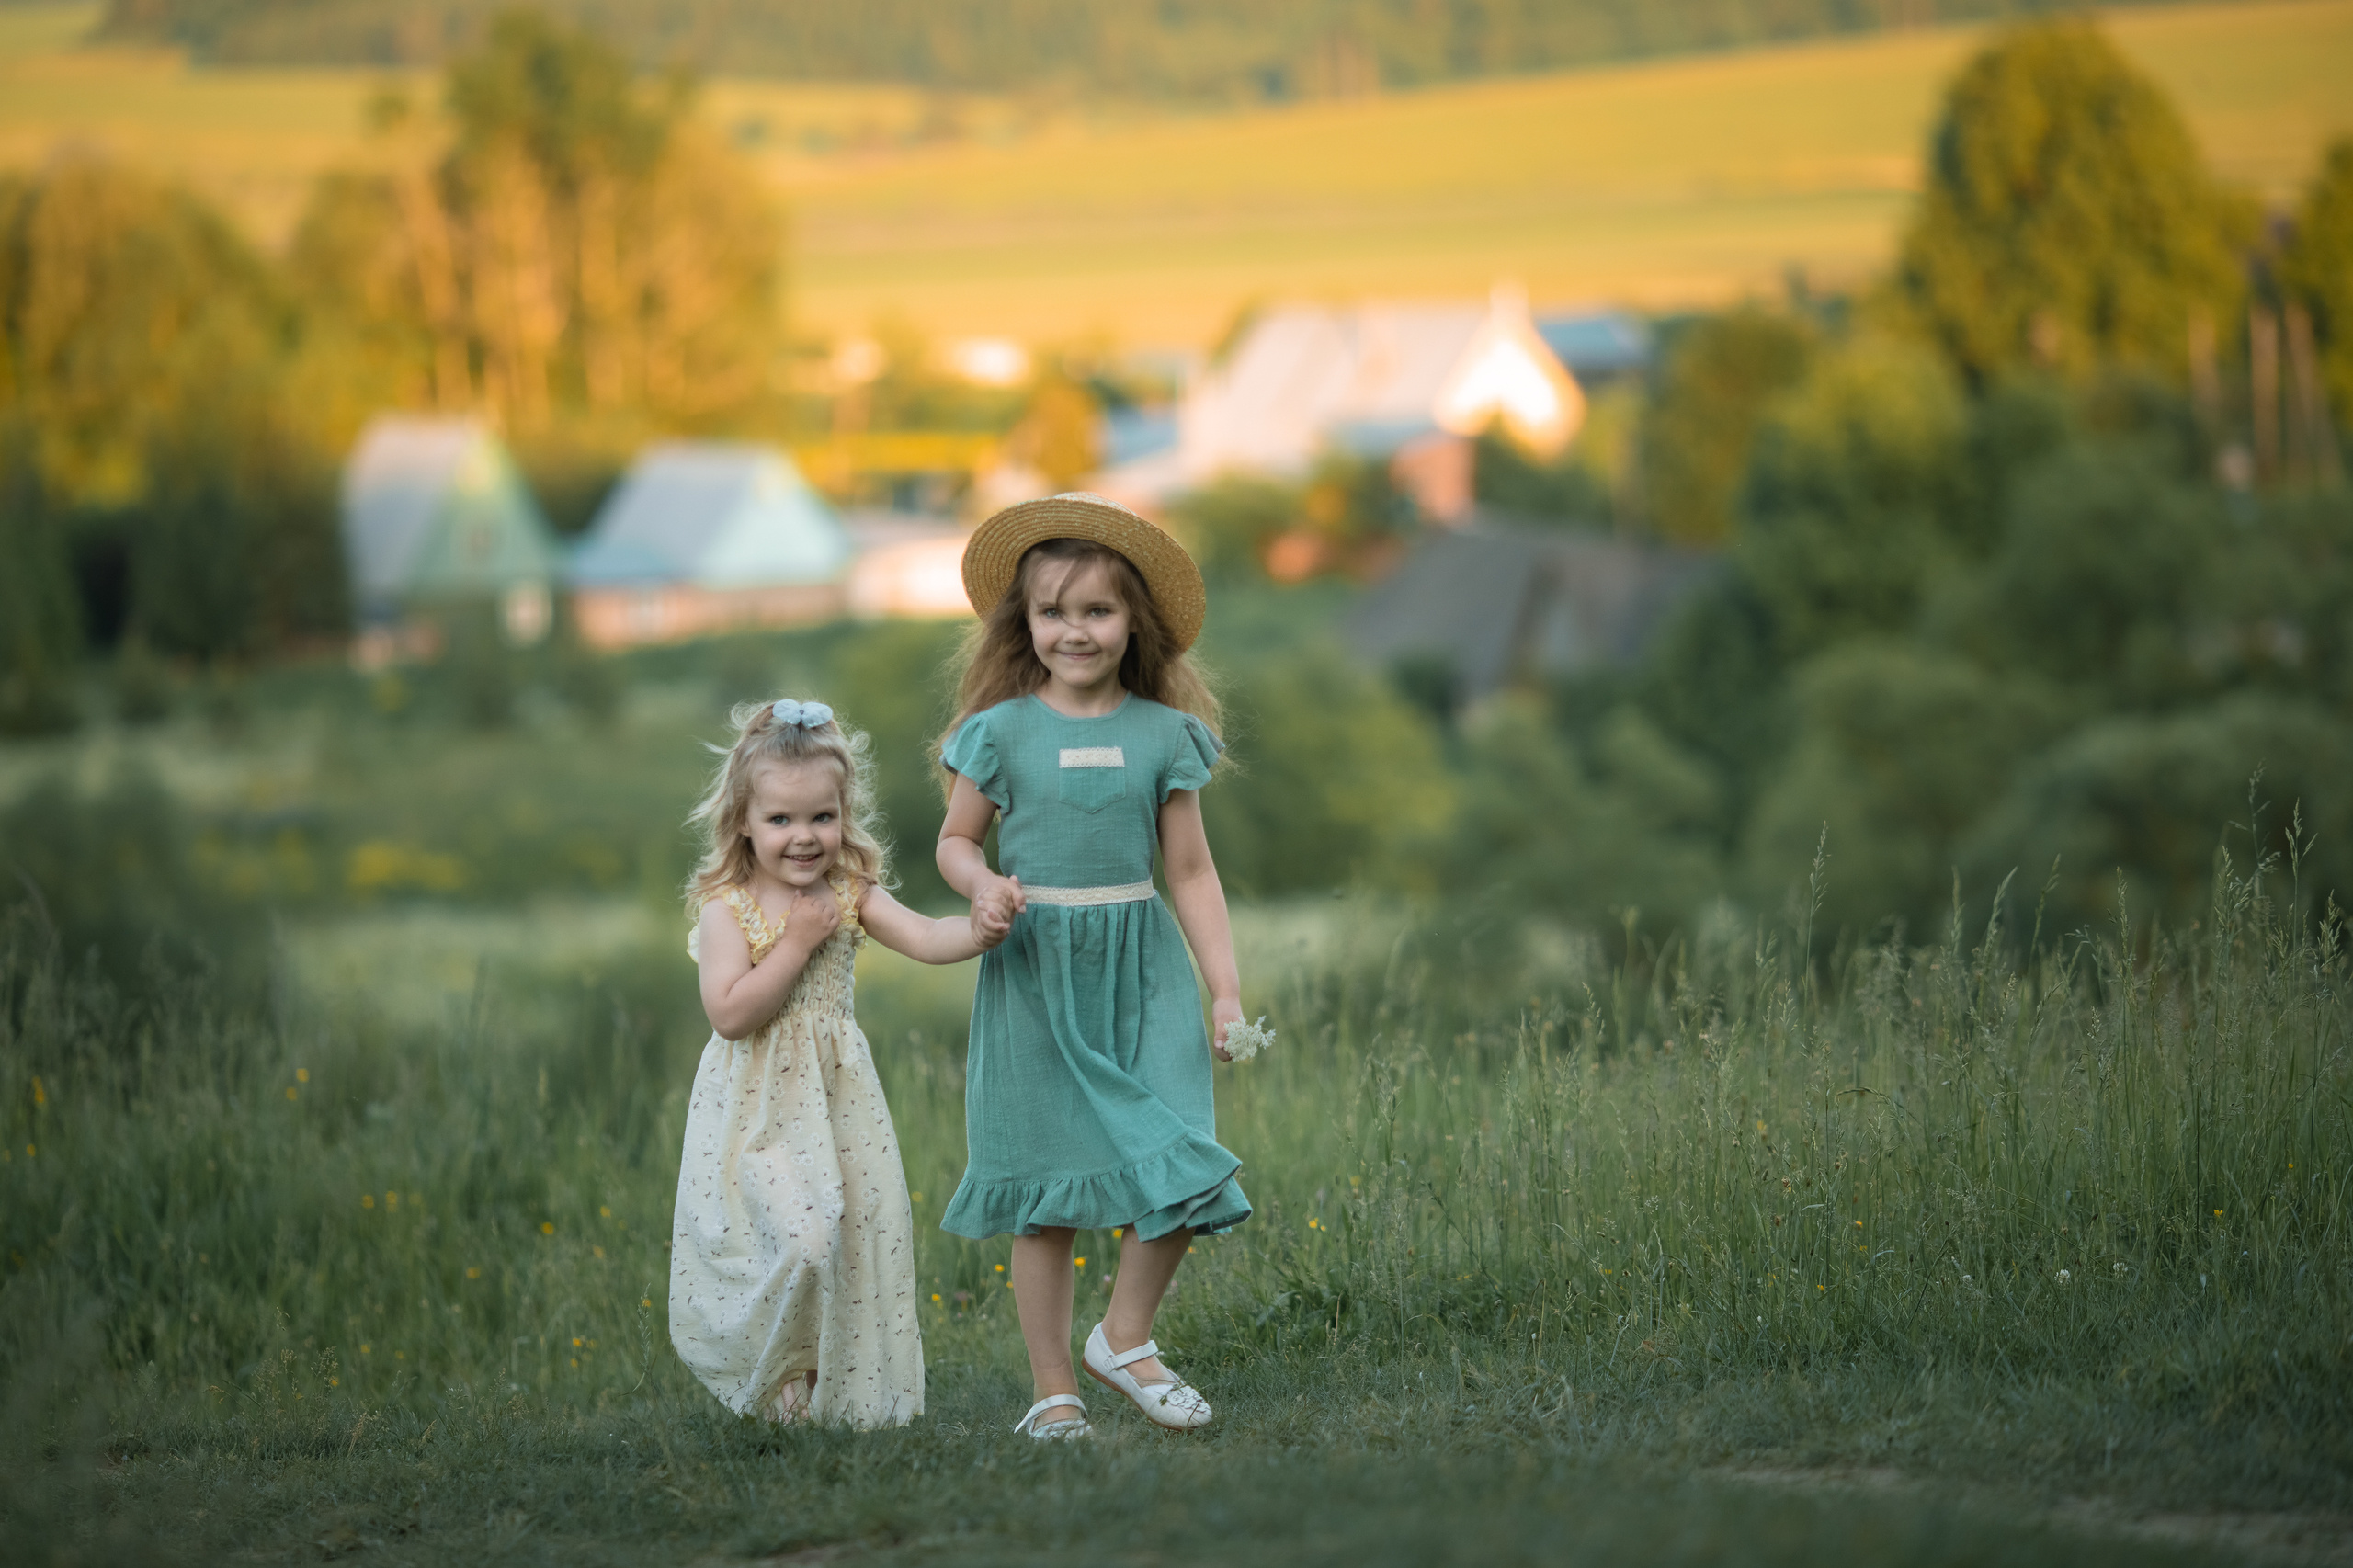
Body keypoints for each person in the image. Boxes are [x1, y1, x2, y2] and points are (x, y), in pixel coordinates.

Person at [933, 493, 1251, 1441]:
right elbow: (952, 841)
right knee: (1047, 1193)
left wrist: (1224, 987)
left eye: (1097, 610)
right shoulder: (997, 731)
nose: (1075, 629)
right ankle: (1052, 1391)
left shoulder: (1165, 734)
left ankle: (1124, 1336)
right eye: (1052, 610)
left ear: (1132, 622)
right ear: (1023, 624)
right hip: (1034, 969)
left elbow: (1190, 871)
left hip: (1142, 967)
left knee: (1182, 1162)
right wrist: (981, 883)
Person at [671, 698, 1010, 1427]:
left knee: (850, 1241)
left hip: (836, 1108)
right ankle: (768, 1376)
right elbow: (729, 1014)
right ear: (744, 823)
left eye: (822, 817)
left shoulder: (849, 894)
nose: (804, 837)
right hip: (755, 1113)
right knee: (802, 1238)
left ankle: (813, 1393)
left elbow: (923, 936)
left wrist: (979, 929)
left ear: (844, 815)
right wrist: (794, 943)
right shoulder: (727, 909)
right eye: (782, 820)